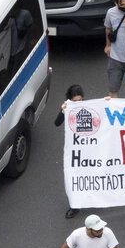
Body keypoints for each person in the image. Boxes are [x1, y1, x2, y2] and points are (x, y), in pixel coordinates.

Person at [55, 85, 85, 219]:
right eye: (75, 101)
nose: (78, 104)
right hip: (74, 150)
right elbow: (57, 123)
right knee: (73, 177)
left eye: (80, 100)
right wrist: (63, 112)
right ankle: (75, 206)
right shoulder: (67, 108)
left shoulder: (90, 107)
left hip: (88, 148)